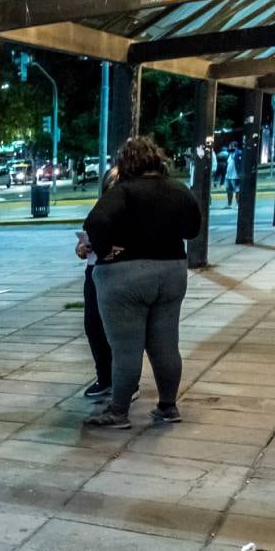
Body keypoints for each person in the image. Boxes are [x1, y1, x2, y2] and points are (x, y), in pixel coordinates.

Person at [83, 136, 201, 429]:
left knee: (126, 348)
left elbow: (96, 223)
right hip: (172, 272)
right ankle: (168, 406)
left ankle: (119, 412)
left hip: (125, 276)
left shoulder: (123, 191)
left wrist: (105, 247)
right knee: (166, 344)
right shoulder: (178, 189)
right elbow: (193, 227)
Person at [76, 167, 119, 399]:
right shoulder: (99, 210)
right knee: (93, 325)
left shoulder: (130, 212)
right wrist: (82, 248)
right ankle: (104, 377)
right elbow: (84, 242)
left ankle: (125, 381)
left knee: (119, 331)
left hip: (119, 274)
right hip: (95, 271)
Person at [224, 142, 242, 209]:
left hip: (235, 176)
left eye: (230, 146)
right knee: (229, 191)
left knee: (237, 191)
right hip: (228, 176)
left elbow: (240, 164)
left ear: (235, 147)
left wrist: (240, 173)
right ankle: (229, 204)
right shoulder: (229, 154)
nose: (229, 148)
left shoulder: (239, 153)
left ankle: (238, 204)